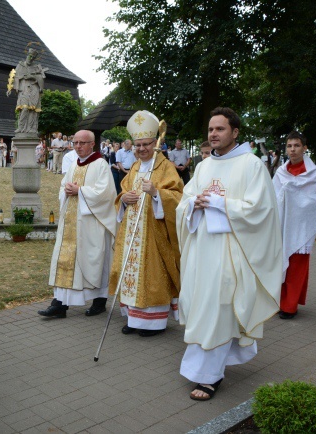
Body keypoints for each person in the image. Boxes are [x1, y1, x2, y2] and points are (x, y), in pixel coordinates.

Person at [176, 107, 282, 401]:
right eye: (210, 129)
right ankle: (205, 365)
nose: (213, 134)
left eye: (220, 129)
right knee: (201, 305)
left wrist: (221, 204)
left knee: (221, 307)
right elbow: (185, 201)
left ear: (235, 133)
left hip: (231, 253)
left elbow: (260, 209)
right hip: (202, 251)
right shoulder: (204, 166)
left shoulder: (252, 166)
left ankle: (210, 376)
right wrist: (192, 206)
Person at [109, 111, 183, 337]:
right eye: (137, 145)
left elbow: (179, 196)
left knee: (152, 274)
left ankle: (153, 323)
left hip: (154, 233)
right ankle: (134, 318)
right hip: (131, 231)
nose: (141, 149)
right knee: (131, 272)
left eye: (146, 144)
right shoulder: (133, 168)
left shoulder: (165, 167)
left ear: (155, 143)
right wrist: (124, 200)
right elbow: (122, 193)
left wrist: (157, 193)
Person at [38, 130, 117, 318]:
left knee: (94, 262)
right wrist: (66, 190)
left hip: (91, 224)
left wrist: (80, 191)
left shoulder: (101, 164)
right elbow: (64, 185)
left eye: (83, 143)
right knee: (65, 261)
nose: (78, 146)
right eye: (75, 143)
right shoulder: (74, 163)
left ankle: (99, 302)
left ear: (92, 144)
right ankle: (59, 304)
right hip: (70, 224)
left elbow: (106, 194)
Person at [273, 131, 316, 319]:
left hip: (302, 226)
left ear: (304, 148)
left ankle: (289, 306)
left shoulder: (314, 173)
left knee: (297, 266)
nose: (292, 150)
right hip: (283, 224)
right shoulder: (281, 172)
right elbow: (272, 197)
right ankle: (278, 301)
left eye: (296, 146)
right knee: (280, 263)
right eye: (289, 146)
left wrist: (294, 195)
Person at [6, 47, 46, 134]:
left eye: (33, 57)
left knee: (33, 110)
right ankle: (21, 127)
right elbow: (14, 77)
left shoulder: (36, 67)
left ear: (34, 59)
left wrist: (32, 77)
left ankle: (31, 128)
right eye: (30, 56)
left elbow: (41, 79)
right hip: (23, 89)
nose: (30, 58)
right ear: (27, 55)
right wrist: (10, 88)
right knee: (24, 108)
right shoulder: (20, 65)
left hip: (34, 89)